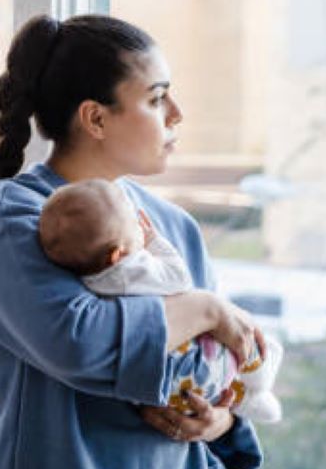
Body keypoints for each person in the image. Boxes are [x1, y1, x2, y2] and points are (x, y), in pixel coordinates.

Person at [0, 13, 265, 469]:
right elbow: (82, 342)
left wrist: (220, 423)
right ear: (96, 118)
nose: (177, 114)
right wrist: (205, 309)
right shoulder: (16, 219)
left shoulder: (175, 227)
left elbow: (211, 364)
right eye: (157, 98)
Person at [38, 178, 284, 424]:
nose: (140, 229)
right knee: (257, 344)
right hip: (200, 363)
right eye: (134, 225)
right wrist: (155, 242)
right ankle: (259, 382)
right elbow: (179, 279)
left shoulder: (87, 281)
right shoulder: (132, 270)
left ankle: (245, 401)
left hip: (169, 390)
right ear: (117, 255)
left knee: (220, 380)